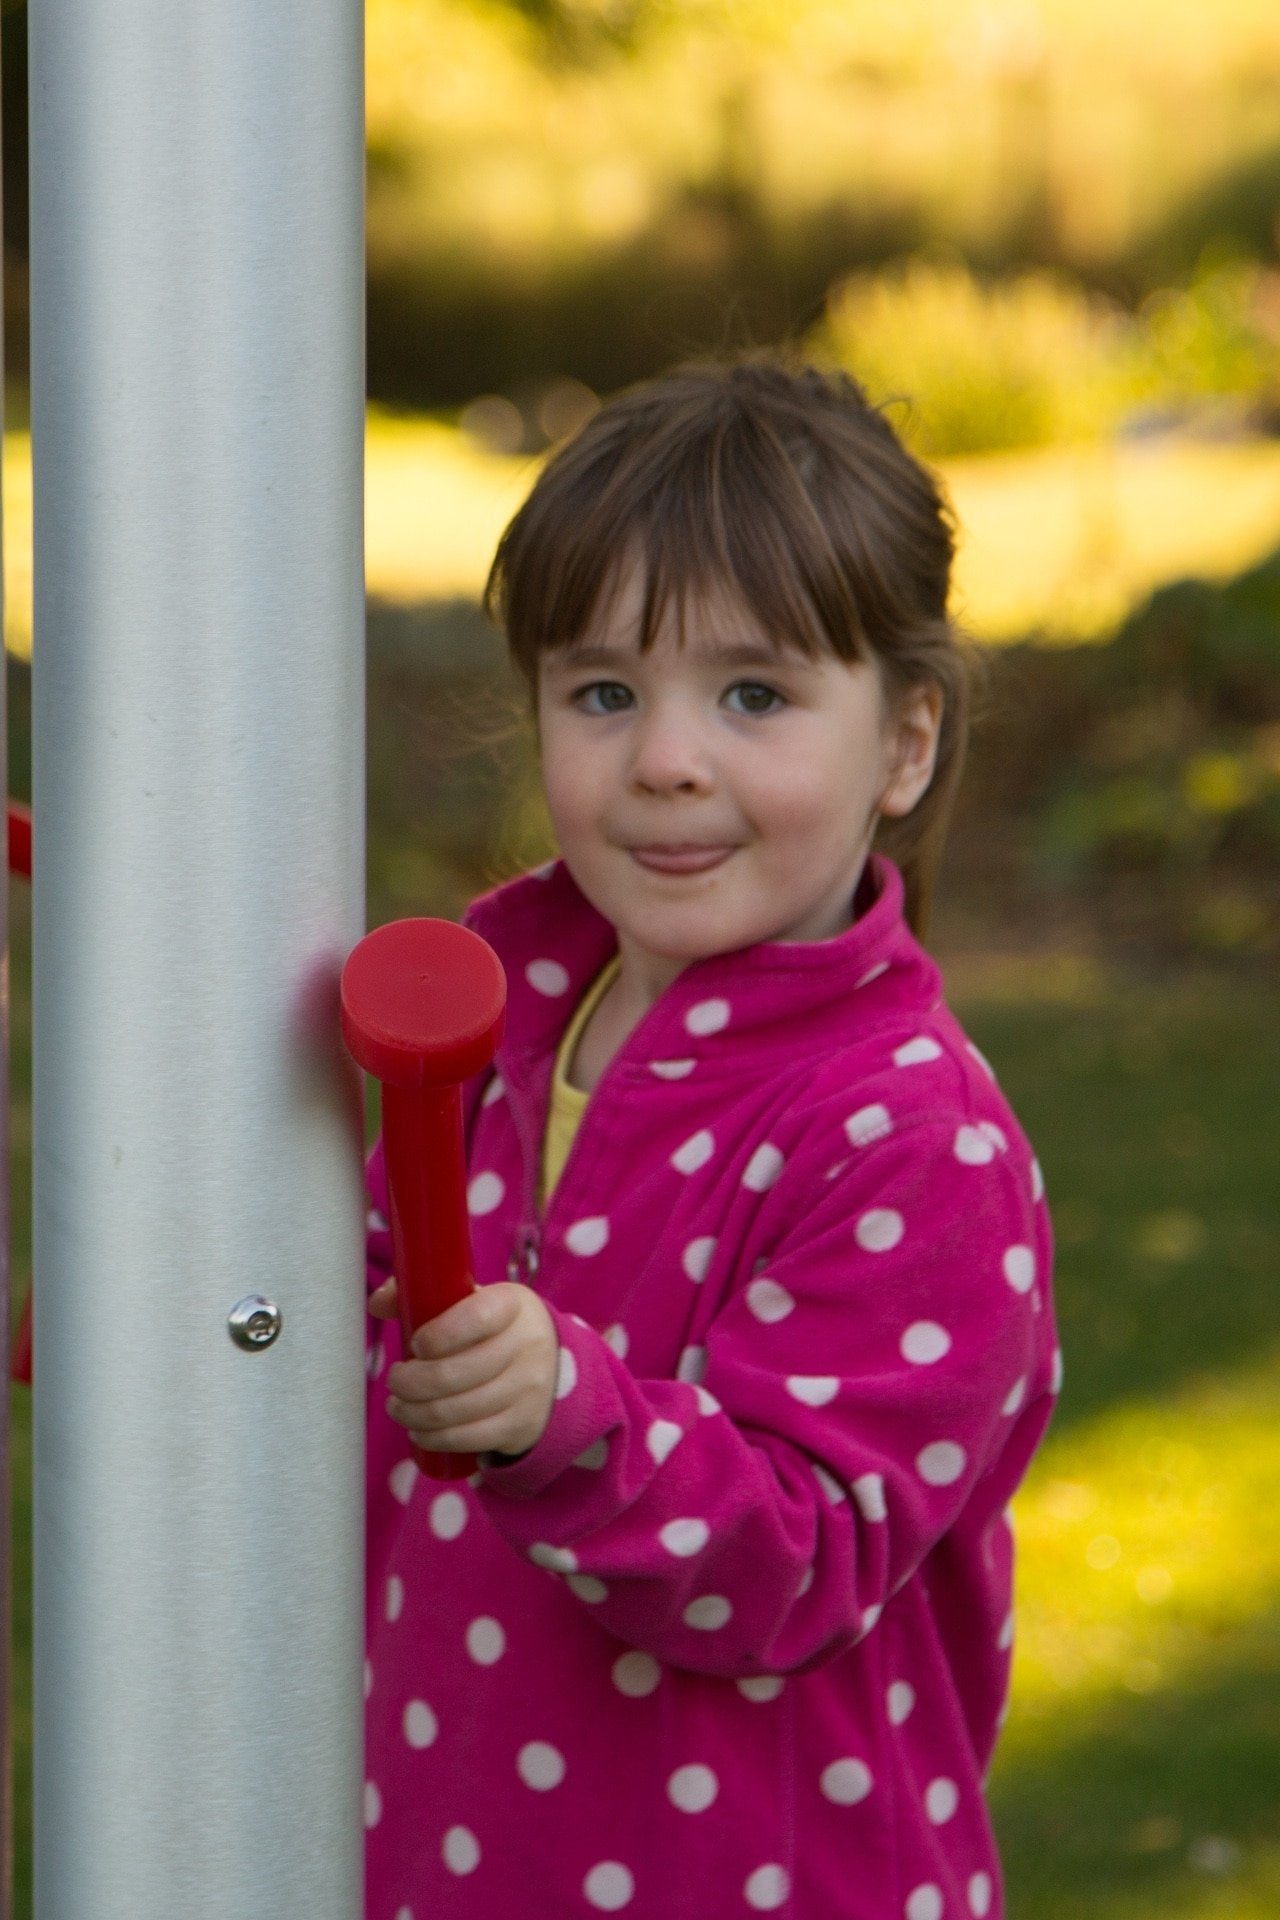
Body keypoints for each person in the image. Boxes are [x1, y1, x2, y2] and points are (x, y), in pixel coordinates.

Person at [362, 359, 1058, 1920]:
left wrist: (564, 1411)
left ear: (905, 743)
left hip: (758, 1879)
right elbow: (359, 1336)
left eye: (754, 695)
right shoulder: (497, 1035)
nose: (666, 758)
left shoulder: (910, 1139)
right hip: (444, 1853)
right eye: (604, 691)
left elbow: (799, 1556)